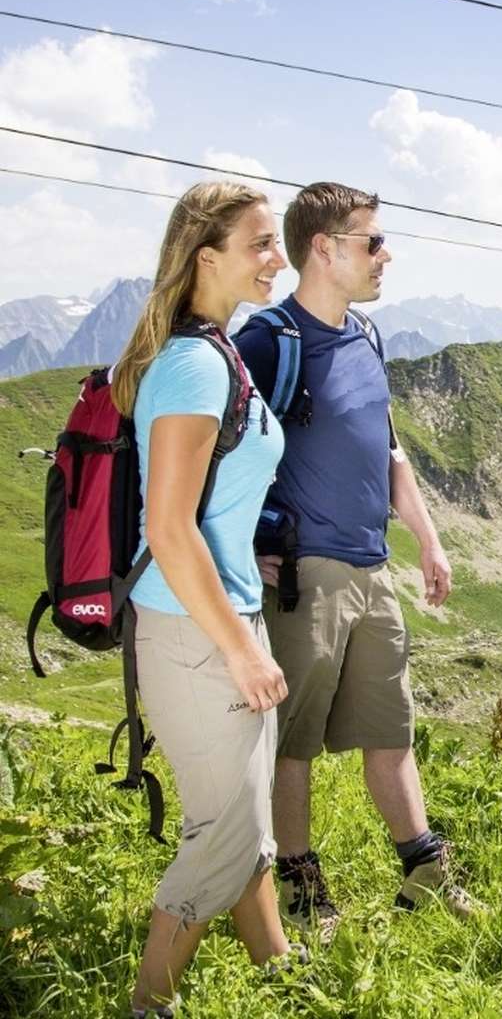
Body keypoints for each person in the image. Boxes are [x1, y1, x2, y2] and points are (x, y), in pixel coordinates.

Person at [235, 181, 471, 938]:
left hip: (373, 571)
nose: (386, 253)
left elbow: (389, 450)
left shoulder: (367, 337)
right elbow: (206, 456)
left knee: (391, 729)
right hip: (303, 578)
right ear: (324, 249)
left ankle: (426, 871)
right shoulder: (267, 343)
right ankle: (302, 893)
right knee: (291, 743)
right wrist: (241, 548)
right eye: (373, 241)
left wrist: (427, 540)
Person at [112, 181, 294, 1017]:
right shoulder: (191, 365)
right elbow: (170, 528)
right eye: (260, 243)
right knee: (223, 835)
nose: (277, 259)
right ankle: (151, 1003)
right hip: (197, 635)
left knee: (239, 822)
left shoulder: (217, 352)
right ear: (205, 255)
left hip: (213, 618)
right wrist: (242, 647)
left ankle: (282, 978)